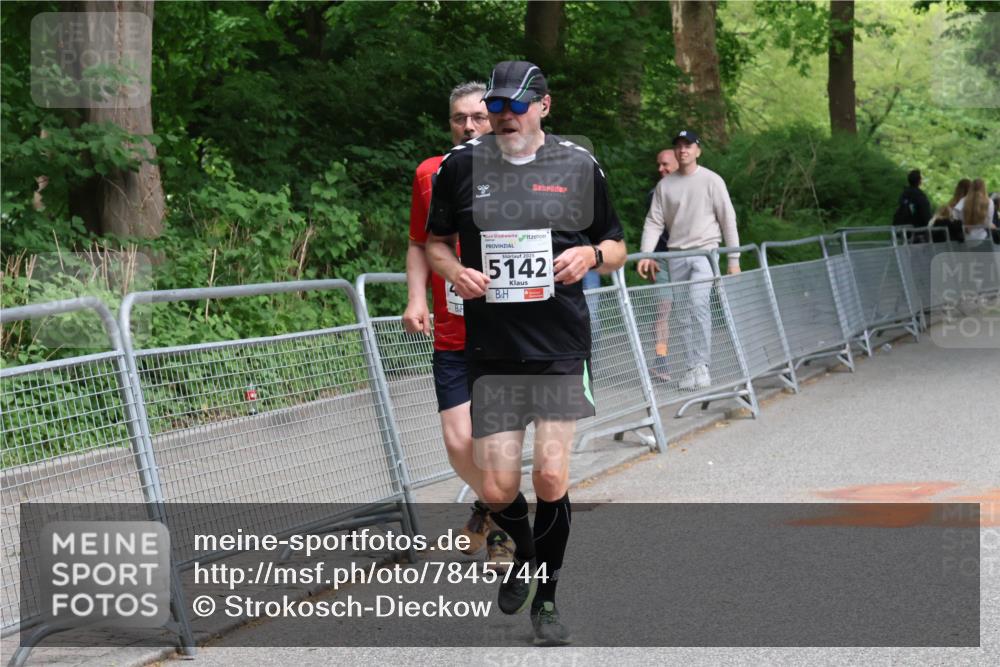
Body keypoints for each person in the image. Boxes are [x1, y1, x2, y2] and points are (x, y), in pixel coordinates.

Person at [425, 60, 626, 646]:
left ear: (544, 105)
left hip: (560, 345)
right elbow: (434, 244)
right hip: (494, 347)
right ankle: (522, 559)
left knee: (551, 474)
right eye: (496, 106)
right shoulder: (460, 167)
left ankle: (547, 600)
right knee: (495, 490)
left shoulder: (577, 164)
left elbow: (615, 242)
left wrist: (590, 257)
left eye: (515, 105)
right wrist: (456, 271)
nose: (503, 116)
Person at [401, 81, 513, 567]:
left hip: (506, 331)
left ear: (492, 119)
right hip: (451, 327)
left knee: (493, 439)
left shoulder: (516, 170)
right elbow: (417, 242)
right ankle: (501, 507)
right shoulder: (430, 173)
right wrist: (414, 299)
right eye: (458, 119)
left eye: (478, 117)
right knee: (456, 441)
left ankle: (500, 526)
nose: (468, 126)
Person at [637, 130, 740, 391]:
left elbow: (728, 219)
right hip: (676, 254)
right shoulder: (665, 186)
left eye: (688, 146)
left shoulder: (711, 180)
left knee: (698, 304)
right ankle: (690, 367)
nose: (683, 150)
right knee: (682, 314)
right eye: (679, 146)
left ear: (697, 150)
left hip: (705, 252)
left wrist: (733, 259)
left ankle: (702, 365)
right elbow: (654, 222)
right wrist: (646, 255)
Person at [639, 148, 679, 381]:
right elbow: (652, 227)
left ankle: (696, 363)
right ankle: (661, 361)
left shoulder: (694, 187)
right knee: (663, 312)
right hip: (663, 261)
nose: (660, 169)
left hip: (688, 259)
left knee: (691, 311)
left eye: (665, 164)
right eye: (659, 165)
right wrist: (650, 256)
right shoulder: (654, 194)